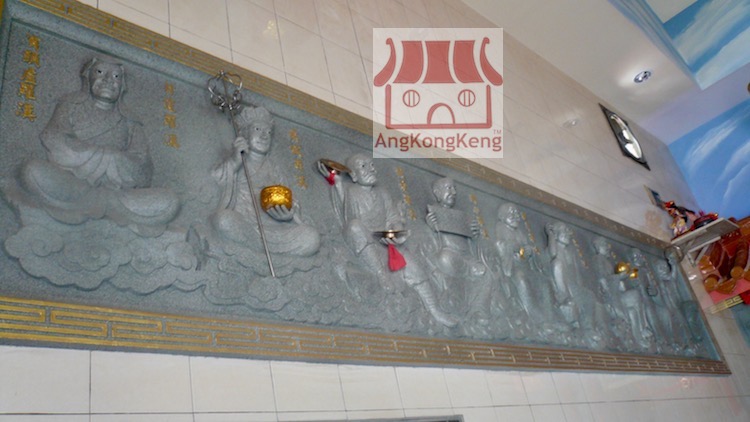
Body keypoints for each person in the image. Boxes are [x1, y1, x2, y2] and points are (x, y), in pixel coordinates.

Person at [20, 57, 179, 234]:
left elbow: (143, 165)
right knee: (32, 171)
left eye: (116, 76)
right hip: (74, 184)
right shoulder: (70, 105)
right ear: (88, 77)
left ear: (122, 85)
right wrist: (100, 155)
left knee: (170, 200)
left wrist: (114, 159)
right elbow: (53, 138)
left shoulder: (130, 121)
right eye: (100, 72)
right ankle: (106, 207)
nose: (108, 80)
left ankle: (97, 205)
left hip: (120, 194)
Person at [320, 153, 456, 327]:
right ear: (353, 175)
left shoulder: (382, 193)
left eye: (371, 165)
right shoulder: (351, 192)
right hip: (365, 242)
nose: (371, 169)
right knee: (354, 226)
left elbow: (393, 217)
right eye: (363, 166)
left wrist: (394, 229)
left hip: (386, 242)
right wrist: (338, 183)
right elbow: (347, 217)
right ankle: (380, 274)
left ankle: (435, 310)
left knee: (415, 269)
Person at [210, 106, 320, 258]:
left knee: (311, 237)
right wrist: (234, 163)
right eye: (257, 129)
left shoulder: (275, 169)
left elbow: (291, 200)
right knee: (223, 220)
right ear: (244, 134)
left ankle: (259, 249)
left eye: (268, 132)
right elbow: (216, 177)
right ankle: (259, 247)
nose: (264, 136)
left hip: (276, 228)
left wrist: (289, 214)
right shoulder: (237, 160)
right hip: (246, 223)